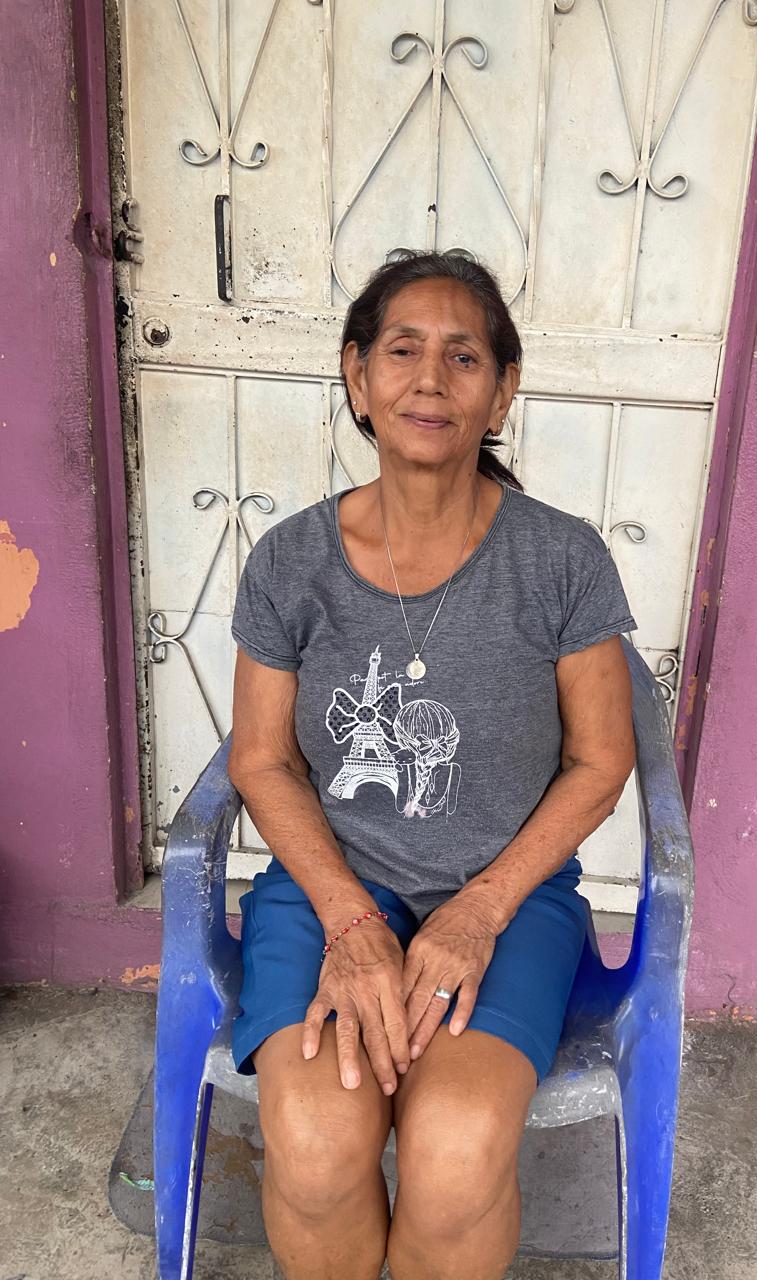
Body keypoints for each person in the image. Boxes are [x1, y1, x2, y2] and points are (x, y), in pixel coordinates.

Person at [227, 250, 638, 1280]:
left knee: (455, 1152)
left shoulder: (562, 559)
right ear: (357, 375)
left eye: (464, 356)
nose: (430, 379)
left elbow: (601, 759)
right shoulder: (290, 560)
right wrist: (349, 921)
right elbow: (263, 760)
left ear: (501, 391)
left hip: (510, 896)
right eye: (402, 350)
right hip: (328, 887)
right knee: (314, 1144)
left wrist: (479, 911)